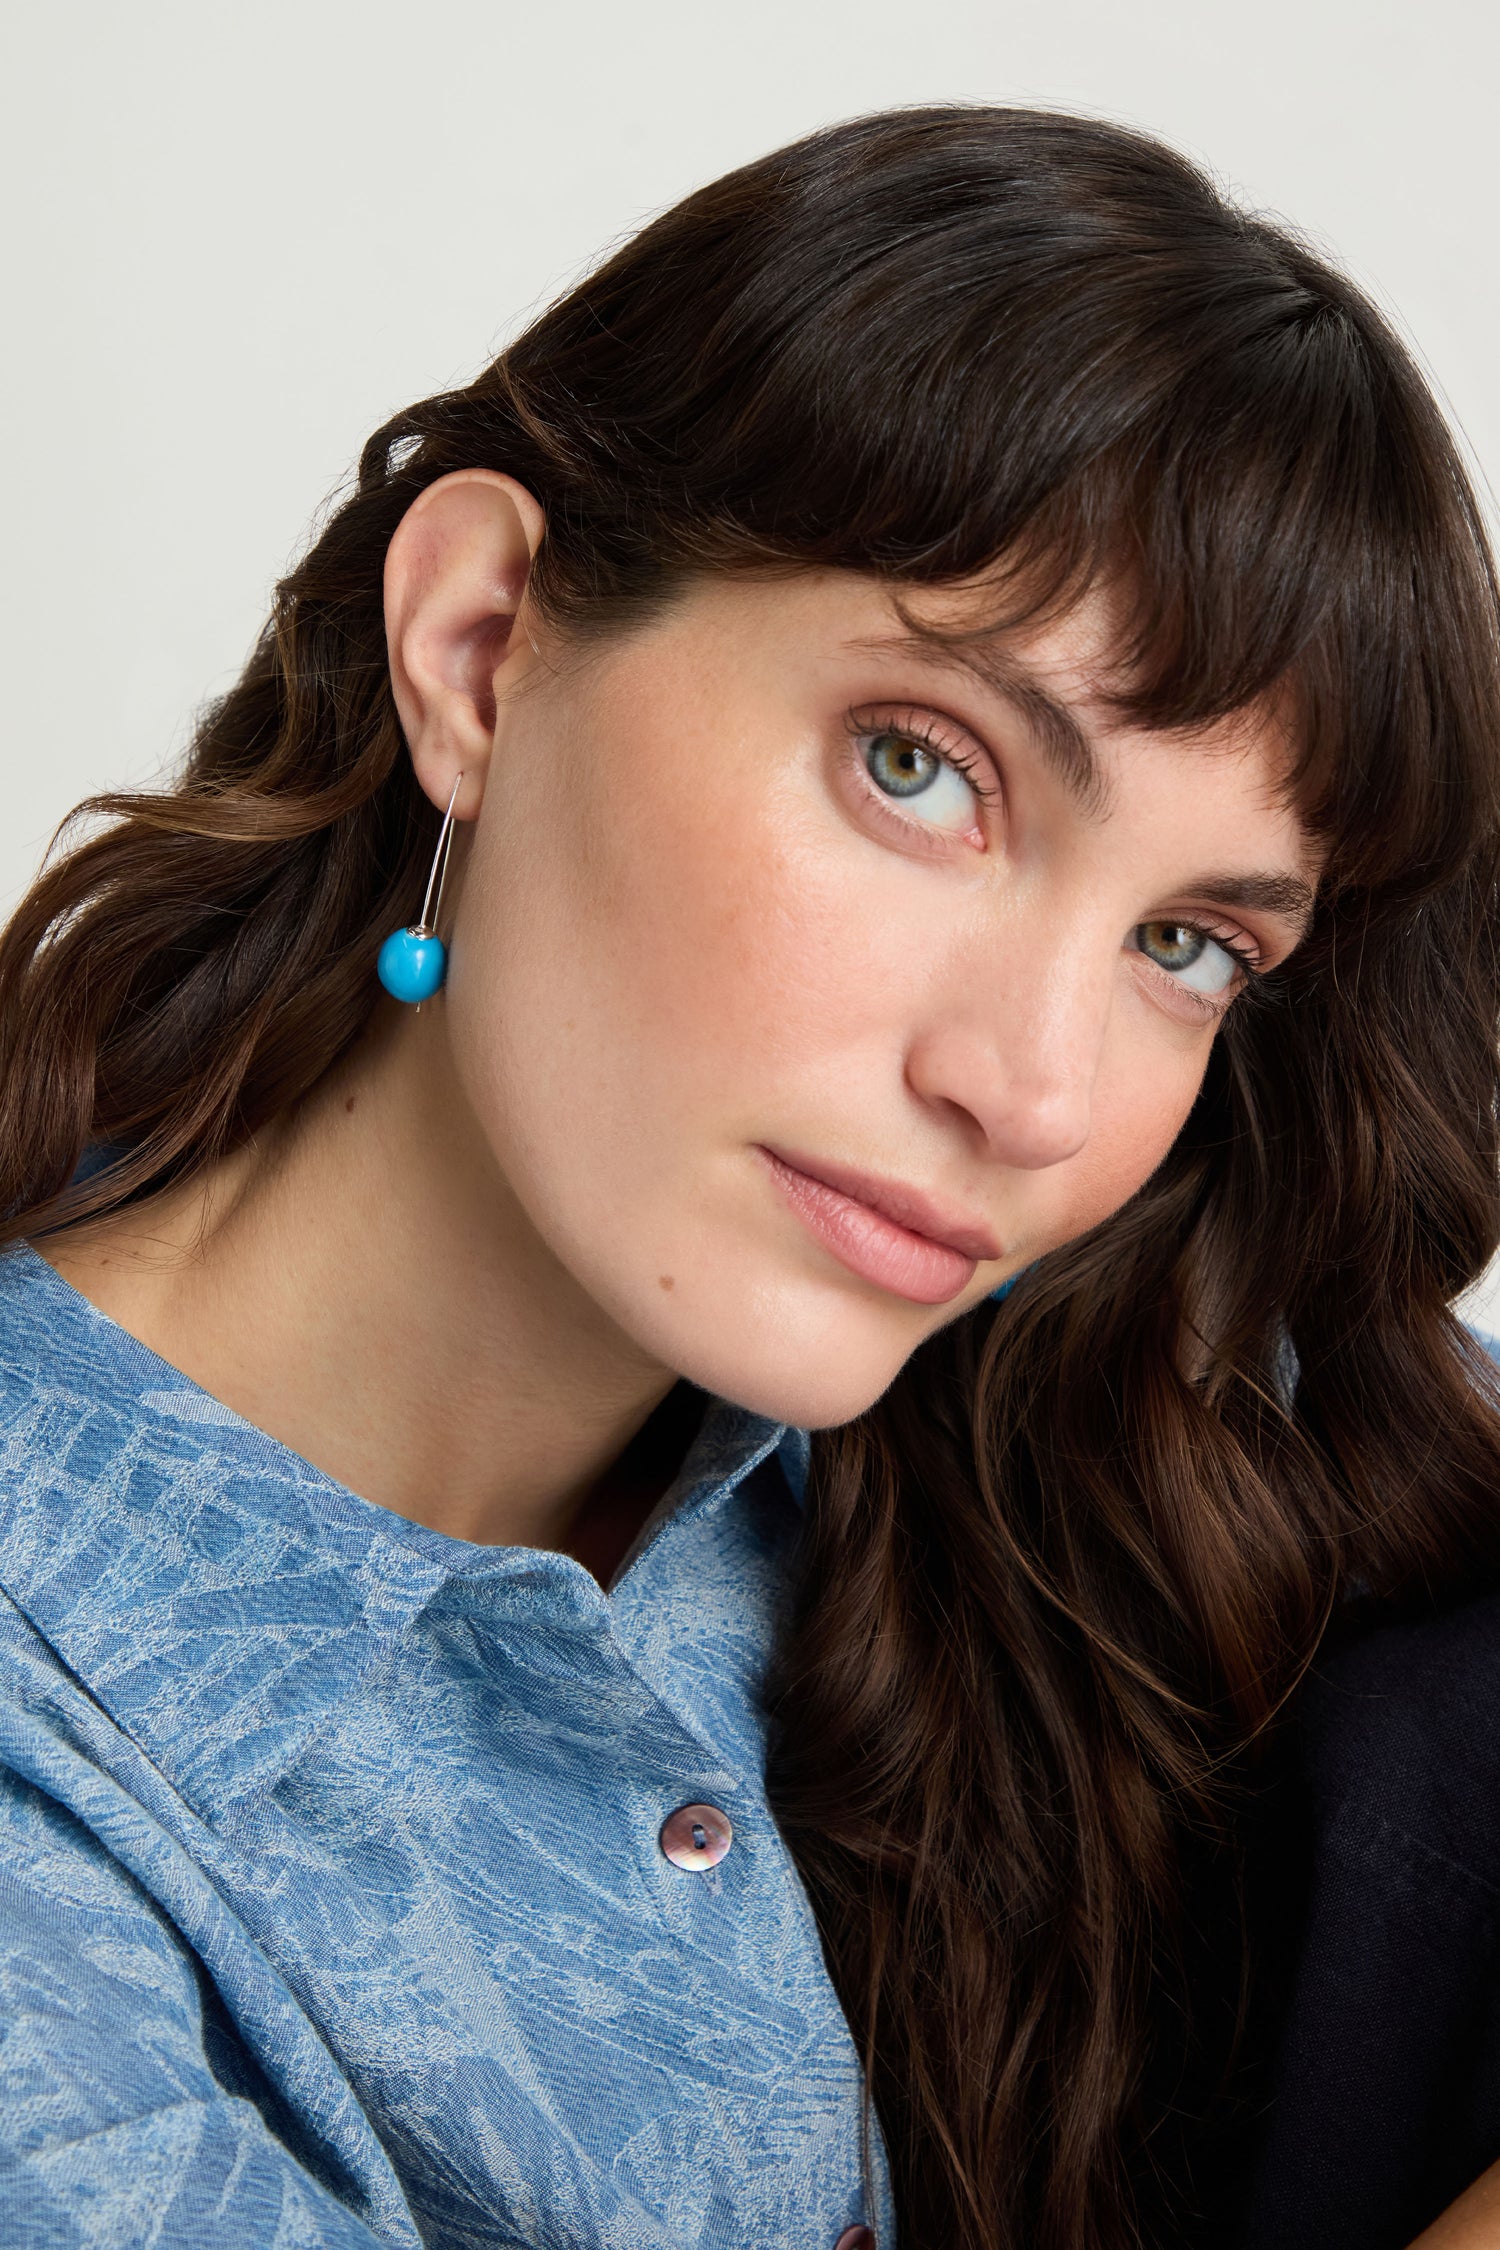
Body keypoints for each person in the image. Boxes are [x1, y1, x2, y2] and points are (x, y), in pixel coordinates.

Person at [1, 101, 1498, 2250]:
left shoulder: (1056, 1414)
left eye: (1190, 945)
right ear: (486, 652)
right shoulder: (62, 1761)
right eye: (924, 770)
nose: (1035, 1091)